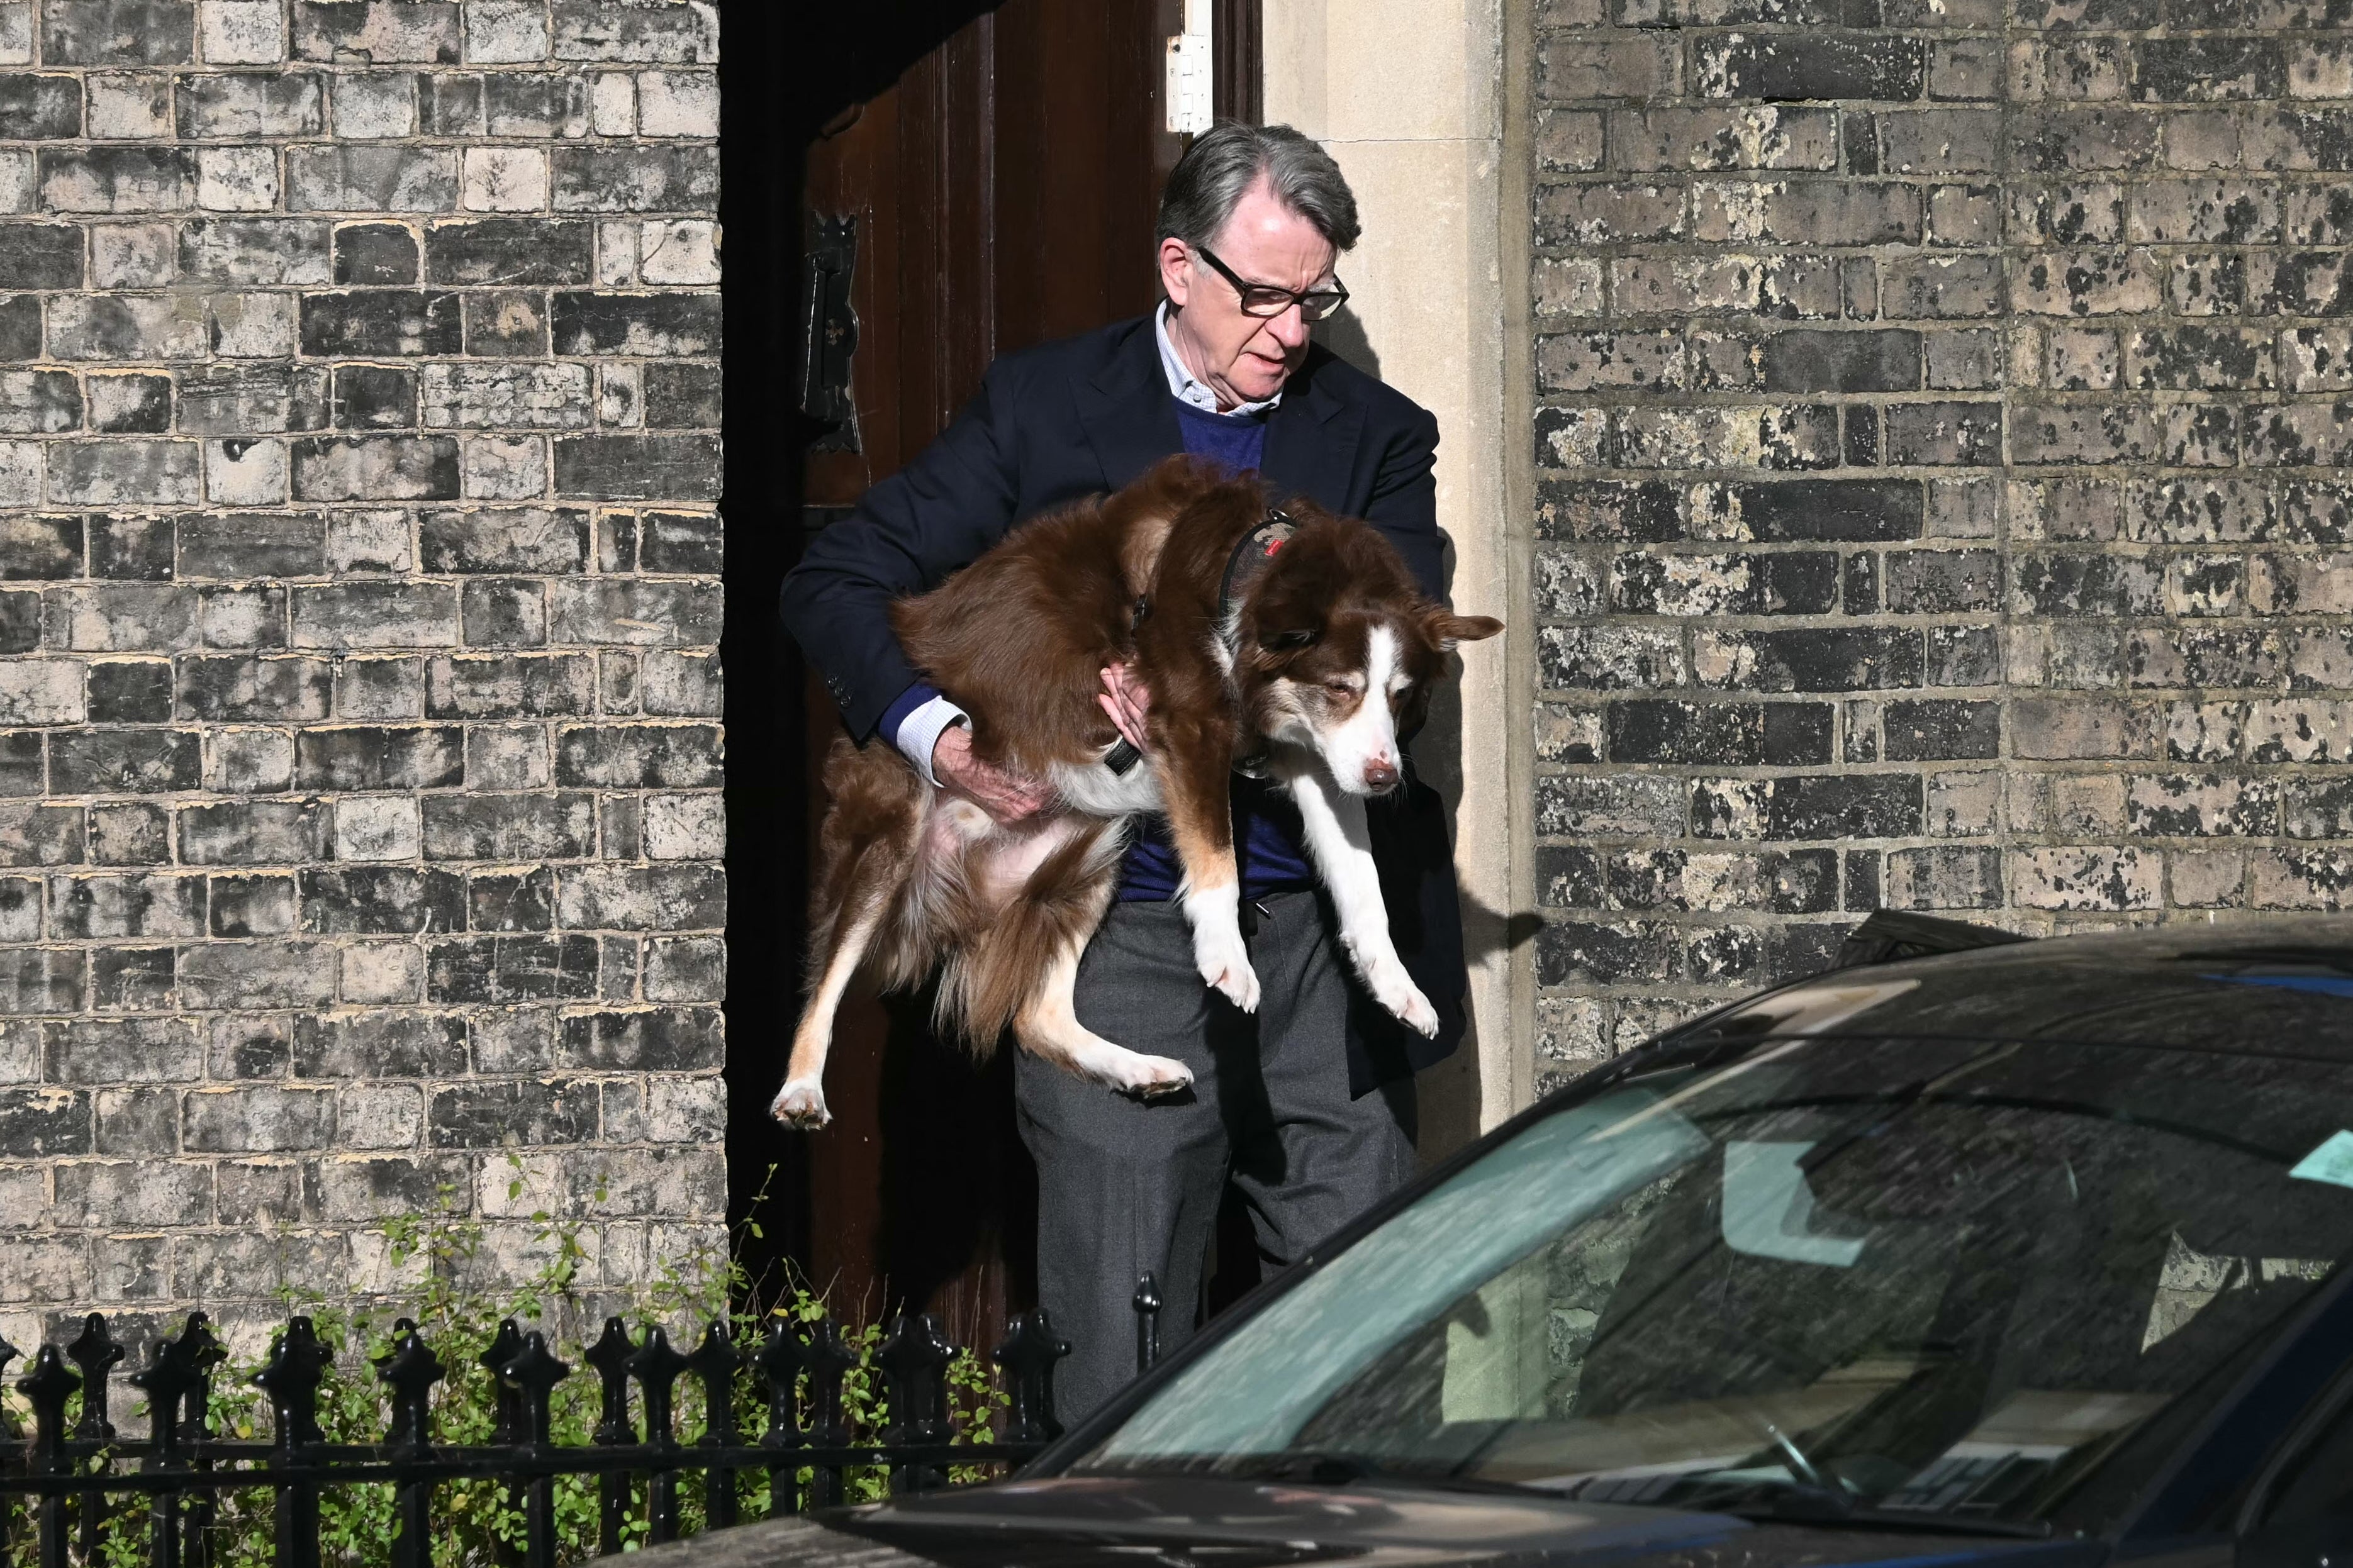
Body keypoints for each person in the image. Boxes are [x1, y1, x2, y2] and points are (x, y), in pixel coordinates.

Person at [780, 121, 1469, 1423]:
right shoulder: (1044, 406)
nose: (1290, 330)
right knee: (1121, 1350)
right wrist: (944, 737)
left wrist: (1224, 686)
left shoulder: (1378, 434)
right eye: (1262, 295)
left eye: (1315, 298)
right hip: (1124, 936)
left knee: (1372, 1349)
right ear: (1178, 267)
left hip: (1321, 948)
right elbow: (837, 577)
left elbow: (1404, 633)